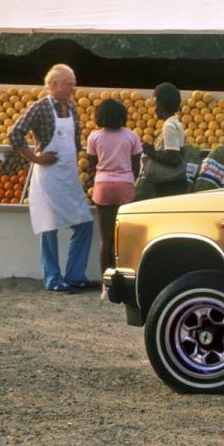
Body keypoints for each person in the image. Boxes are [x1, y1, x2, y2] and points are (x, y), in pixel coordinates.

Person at [8, 64, 95, 292]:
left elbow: (75, 143)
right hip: (48, 176)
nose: (73, 88)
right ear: (53, 85)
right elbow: (14, 133)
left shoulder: (73, 108)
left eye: (73, 83)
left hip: (68, 176)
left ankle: (75, 275)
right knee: (49, 227)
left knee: (84, 223)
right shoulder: (40, 108)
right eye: (69, 84)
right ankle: (53, 279)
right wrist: (36, 158)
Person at [86, 98, 142, 299]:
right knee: (125, 237)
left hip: (102, 185)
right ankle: (127, 283)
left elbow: (93, 163)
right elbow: (136, 165)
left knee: (106, 239)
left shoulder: (94, 137)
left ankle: (106, 286)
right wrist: (127, 178)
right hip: (125, 184)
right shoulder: (131, 136)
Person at [141, 83, 188, 197]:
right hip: (176, 182)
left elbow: (173, 158)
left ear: (161, 105)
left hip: (169, 184)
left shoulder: (169, 126)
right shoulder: (176, 123)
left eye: (156, 103)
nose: (154, 107)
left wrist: (150, 152)